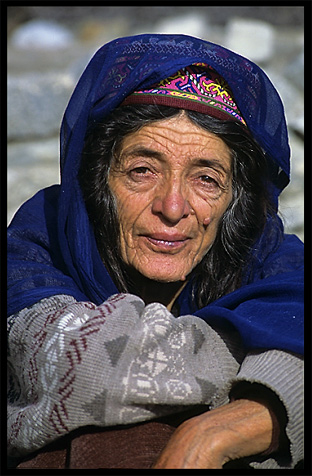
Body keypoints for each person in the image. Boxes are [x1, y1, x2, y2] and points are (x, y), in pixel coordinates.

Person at [7, 33, 303, 469]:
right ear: (98, 179)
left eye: (206, 179)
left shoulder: (266, 252)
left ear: (234, 200)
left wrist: (215, 433)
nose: (172, 207)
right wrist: (270, 379)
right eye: (142, 171)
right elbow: (96, 372)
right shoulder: (37, 247)